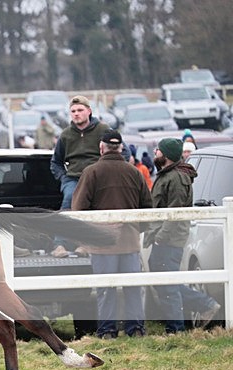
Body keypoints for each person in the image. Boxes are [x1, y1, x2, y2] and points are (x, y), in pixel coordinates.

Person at [72, 130, 153, 339]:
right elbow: (147, 207)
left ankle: (107, 330)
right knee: (132, 288)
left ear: (102, 148)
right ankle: (136, 329)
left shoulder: (91, 172)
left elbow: (78, 209)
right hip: (130, 241)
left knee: (105, 289)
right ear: (121, 148)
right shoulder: (134, 172)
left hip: (101, 244)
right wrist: (135, 229)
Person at [144, 137, 220, 333]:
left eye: (159, 150)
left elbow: (175, 212)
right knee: (163, 283)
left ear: (167, 155)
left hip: (168, 240)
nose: (155, 153)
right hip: (164, 238)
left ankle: (177, 328)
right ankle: (202, 306)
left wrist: (160, 237)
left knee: (168, 285)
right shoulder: (168, 174)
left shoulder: (176, 178)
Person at [50, 95, 111, 257]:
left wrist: (109, 173)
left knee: (95, 208)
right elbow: (55, 162)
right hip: (73, 178)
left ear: (89, 111)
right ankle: (59, 244)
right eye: (73, 111)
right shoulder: (65, 135)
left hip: (98, 178)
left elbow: (122, 151)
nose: (76, 114)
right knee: (68, 202)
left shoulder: (104, 130)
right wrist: (63, 178)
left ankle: (85, 244)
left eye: (80, 110)